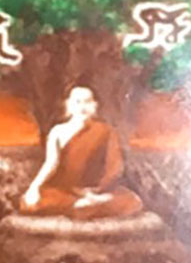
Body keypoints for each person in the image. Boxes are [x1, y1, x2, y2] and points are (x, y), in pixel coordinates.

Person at [19, 86, 143, 219]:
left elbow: (115, 166)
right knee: (30, 201)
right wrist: (34, 187)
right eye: (77, 102)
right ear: (68, 105)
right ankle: (80, 204)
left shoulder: (106, 131)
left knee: (133, 201)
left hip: (95, 190)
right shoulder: (58, 131)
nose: (82, 107)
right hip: (65, 190)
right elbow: (51, 163)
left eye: (87, 101)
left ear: (95, 105)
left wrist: (98, 191)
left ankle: (88, 204)